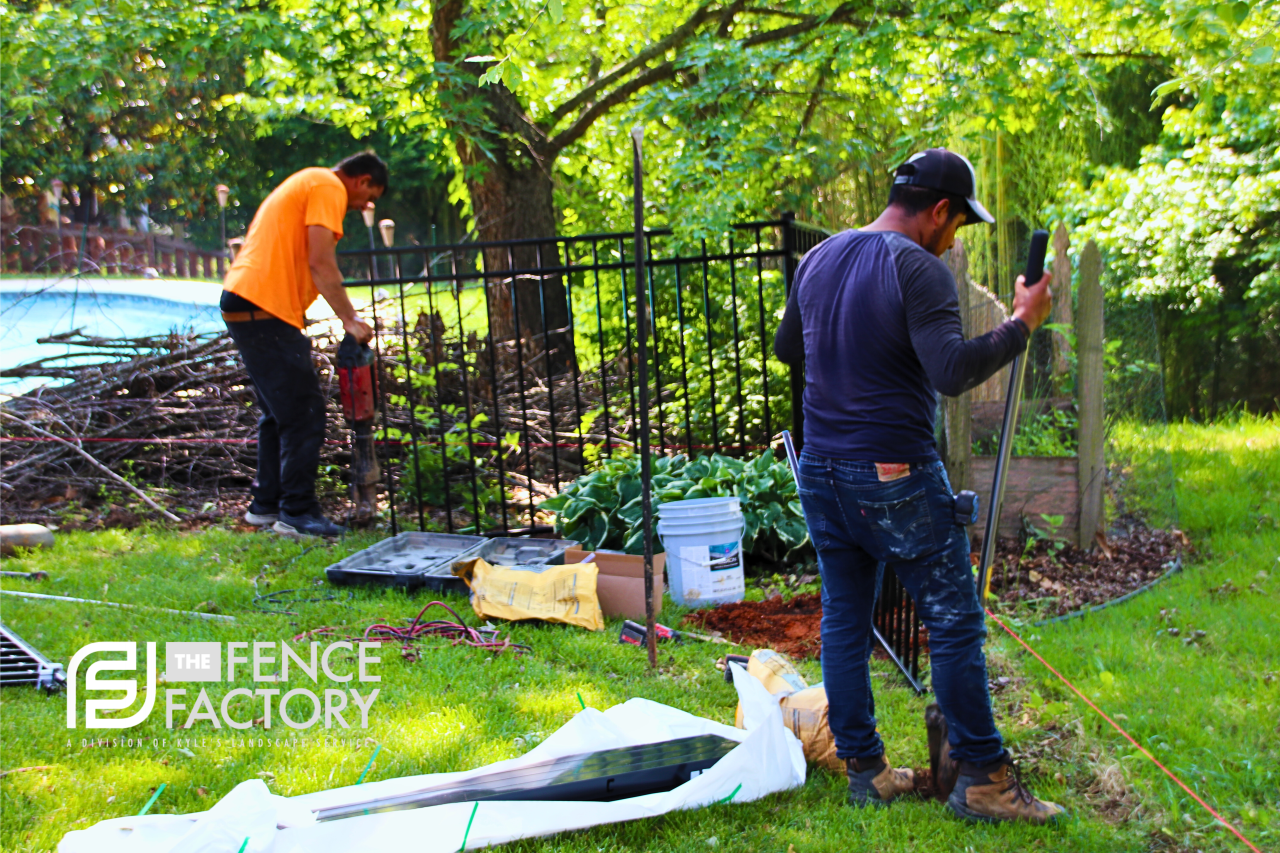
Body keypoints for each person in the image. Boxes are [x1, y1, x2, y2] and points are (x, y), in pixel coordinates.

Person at [774, 148, 1062, 824]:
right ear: (939, 210)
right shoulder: (918, 268)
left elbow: (790, 348)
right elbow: (953, 370)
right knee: (954, 620)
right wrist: (1022, 322)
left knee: (846, 614)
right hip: (893, 473)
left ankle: (868, 770)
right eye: (958, 222)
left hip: (822, 469)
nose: (955, 237)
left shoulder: (819, 258)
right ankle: (986, 779)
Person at [221, 152, 385, 538]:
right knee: (304, 412)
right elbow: (320, 261)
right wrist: (349, 318)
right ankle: (297, 513)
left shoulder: (309, 181)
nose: (367, 205)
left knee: (279, 413)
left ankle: (266, 506)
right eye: (370, 194)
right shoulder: (327, 185)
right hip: (263, 305)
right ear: (360, 180)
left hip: (247, 299)